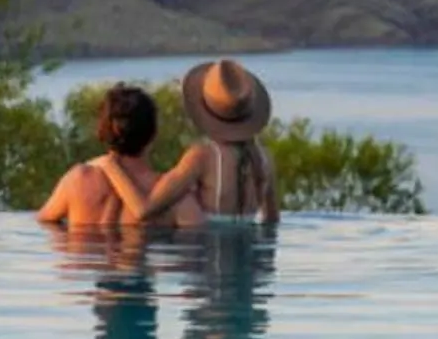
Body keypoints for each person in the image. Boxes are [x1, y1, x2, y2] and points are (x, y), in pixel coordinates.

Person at [133, 58, 280, 225]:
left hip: (209, 246)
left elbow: (148, 209)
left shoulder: (203, 155)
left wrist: (111, 166)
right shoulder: (264, 158)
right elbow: (272, 220)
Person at [36, 81, 191, 229]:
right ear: (154, 134)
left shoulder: (76, 180)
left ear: (103, 132)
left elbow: (44, 223)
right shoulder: (174, 196)